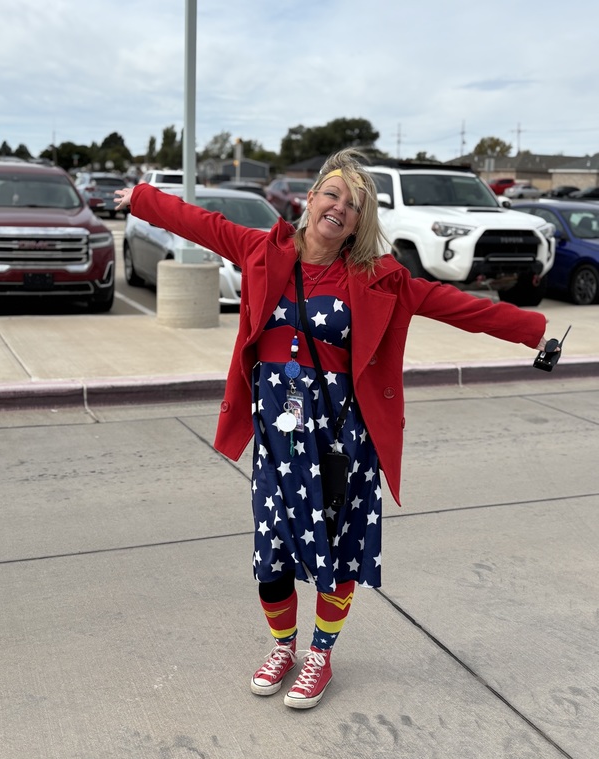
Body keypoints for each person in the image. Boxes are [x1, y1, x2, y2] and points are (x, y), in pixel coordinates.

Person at [114, 149, 551, 710]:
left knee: (335, 553)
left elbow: (456, 306)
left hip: (343, 438)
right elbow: (203, 223)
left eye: (354, 204)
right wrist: (143, 200)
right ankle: (283, 646)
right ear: (312, 199)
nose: (340, 207)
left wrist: (532, 332)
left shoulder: (379, 279)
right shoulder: (261, 250)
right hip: (278, 434)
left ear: (360, 222)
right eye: (333, 194)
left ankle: (320, 654)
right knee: (270, 551)